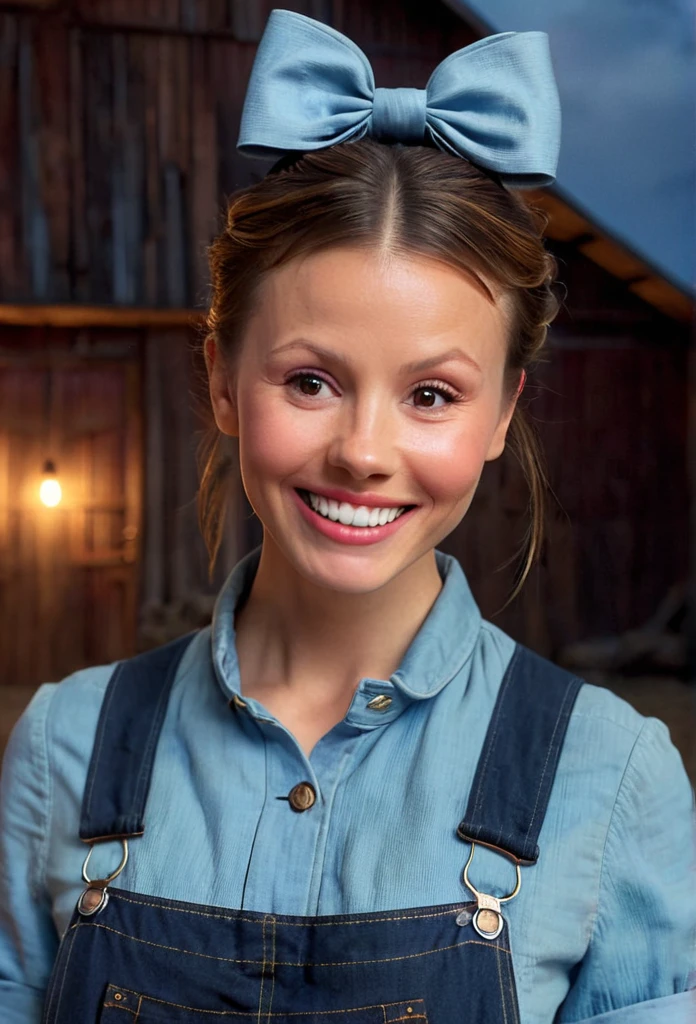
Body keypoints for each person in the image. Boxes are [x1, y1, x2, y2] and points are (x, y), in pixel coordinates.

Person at [1, 9, 694, 1023]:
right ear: (225, 381)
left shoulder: (614, 775)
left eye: (432, 394)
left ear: (502, 411)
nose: (364, 452)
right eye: (312, 380)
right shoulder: (64, 745)